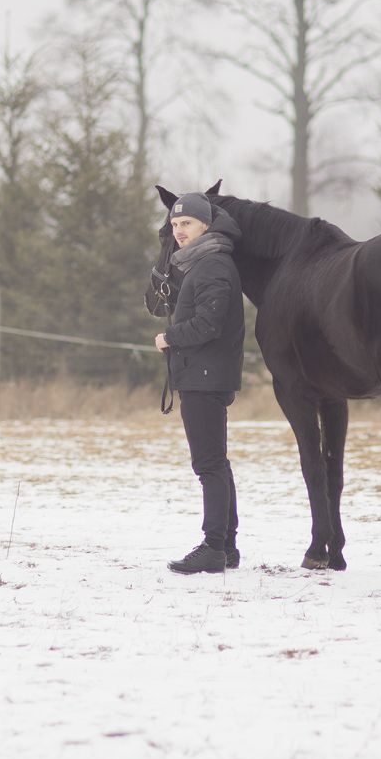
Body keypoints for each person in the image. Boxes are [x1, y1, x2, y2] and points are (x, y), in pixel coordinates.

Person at [154, 192, 244, 574]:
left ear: (206, 225)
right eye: (174, 225)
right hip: (201, 374)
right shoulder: (204, 265)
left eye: (186, 223)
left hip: (205, 377)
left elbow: (209, 324)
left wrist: (169, 337)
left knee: (208, 464)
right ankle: (227, 545)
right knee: (216, 463)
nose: (179, 232)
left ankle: (213, 547)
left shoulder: (213, 267)